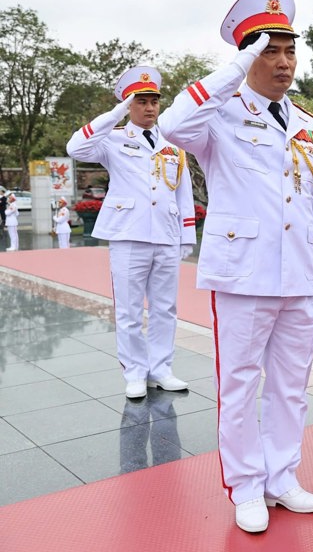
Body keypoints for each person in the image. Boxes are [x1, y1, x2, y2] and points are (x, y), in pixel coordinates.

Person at [160, 0, 313, 533]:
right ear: (246, 56)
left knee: (289, 382)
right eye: (268, 50)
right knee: (238, 383)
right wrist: (235, 65)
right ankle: (246, 484)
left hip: (301, 274)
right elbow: (170, 125)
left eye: (289, 50)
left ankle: (282, 476)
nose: (283, 62)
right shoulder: (217, 115)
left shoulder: (309, 124)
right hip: (245, 273)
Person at [66, 66, 196, 399]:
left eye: (154, 100)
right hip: (128, 235)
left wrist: (186, 236)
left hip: (166, 235)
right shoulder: (112, 140)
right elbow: (75, 148)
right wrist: (115, 114)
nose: (150, 107)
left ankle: (161, 369)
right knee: (129, 309)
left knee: (166, 307)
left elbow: (183, 192)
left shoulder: (173, 145)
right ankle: (135, 372)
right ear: (129, 104)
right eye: (141, 101)